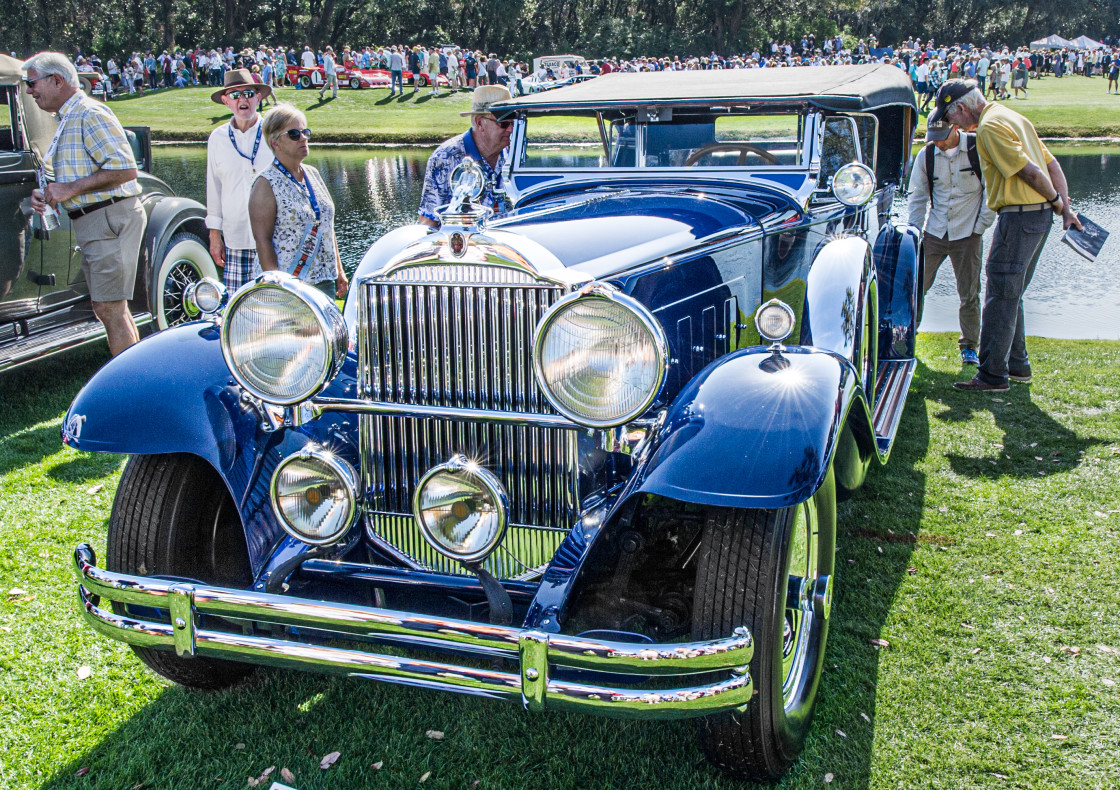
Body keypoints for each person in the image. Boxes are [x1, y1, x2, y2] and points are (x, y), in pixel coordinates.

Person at [932, 79, 1081, 392]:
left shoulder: (989, 127)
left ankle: (991, 375)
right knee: (1011, 293)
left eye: (949, 118)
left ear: (960, 107)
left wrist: (1057, 203)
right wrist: (1064, 208)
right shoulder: (1012, 115)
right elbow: (1052, 163)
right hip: (1035, 218)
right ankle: (1017, 364)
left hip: (1020, 217)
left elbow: (1031, 172)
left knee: (999, 293)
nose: (952, 125)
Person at [25, 52, 146, 356]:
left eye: (32, 83)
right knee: (108, 308)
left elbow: (126, 169)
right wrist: (51, 193)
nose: (29, 91)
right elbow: (75, 173)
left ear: (56, 80)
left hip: (108, 217)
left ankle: (128, 388)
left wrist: (70, 188)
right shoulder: (68, 117)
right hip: (95, 219)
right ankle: (132, 376)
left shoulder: (89, 113)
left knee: (109, 307)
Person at [907, 119, 995, 366]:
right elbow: (918, 196)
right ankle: (908, 335)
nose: (938, 142)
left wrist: (979, 228)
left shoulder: (978, 149)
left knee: (969, 293)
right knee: (915, 288)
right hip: (934, 232)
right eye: (933, 137)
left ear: (956, 129)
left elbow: (992, 191)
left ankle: (969, 347)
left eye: (942, 136)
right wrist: (915, 232)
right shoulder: (927, 155)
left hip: (968, 234)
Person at [248, 103, 348, 300]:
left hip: (324, 279)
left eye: (305, 132)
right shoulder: (265, 183)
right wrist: (277, 289)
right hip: (289, 286)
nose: (303, 138)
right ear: (275, 142)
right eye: (294, 134)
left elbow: (326, 225)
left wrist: (339, 270)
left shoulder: (313, 174)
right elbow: (263, 241)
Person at [205, 68, 273, 292]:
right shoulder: (217, 138)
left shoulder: (273, 133)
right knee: (238, 312)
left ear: (258, 97)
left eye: (248, 93)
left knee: (275, 308)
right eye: (235, 95)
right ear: (226, 101)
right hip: (236, 241)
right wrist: (215, 235)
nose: (242, 100)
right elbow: (213, 189)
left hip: (274, 238)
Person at [417, 85, 513, 227]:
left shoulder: (514, 153)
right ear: (480, 123)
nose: (511, 129)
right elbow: (428, 222)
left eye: (514, 122)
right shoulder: (444, 158)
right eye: (504, 123)